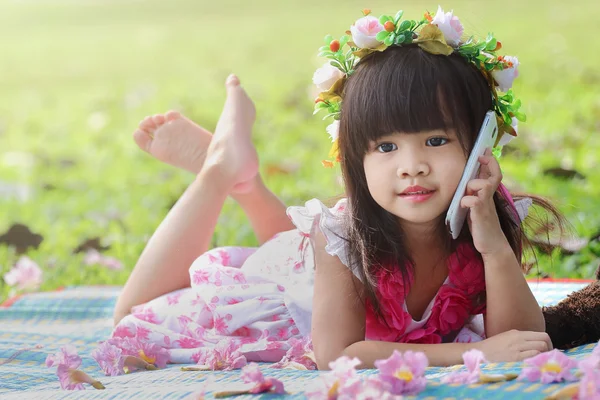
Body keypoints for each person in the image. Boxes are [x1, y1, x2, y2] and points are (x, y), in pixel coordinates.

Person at [112, 7, 560, 369]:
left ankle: (246, 181)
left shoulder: (484, 214)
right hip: (288, 295)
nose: (412, 167)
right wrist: (467, 354)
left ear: (482, 143)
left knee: (293, 252)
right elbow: (338, 354)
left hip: (308, 274)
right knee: (129, 318)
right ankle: (220, 170)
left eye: (437, 140)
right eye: (385, 146)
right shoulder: (339, 233)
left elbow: (521, 340)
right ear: (353, 157)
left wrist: (495, 248)